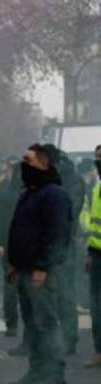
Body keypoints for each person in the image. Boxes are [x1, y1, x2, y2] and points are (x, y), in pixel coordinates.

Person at [7, 144, 72, 384]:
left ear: (43, 163)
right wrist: (16, 264)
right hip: (26, 269)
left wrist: (43, 266)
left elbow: (57, 234)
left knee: (46, 322)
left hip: (41, 272)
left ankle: (54, 374)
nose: (23, 164)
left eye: (28, 160)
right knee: (32, 324)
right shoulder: (31, 192)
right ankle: (36, 372)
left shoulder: (54, 194)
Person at [44, 145, 84, 355]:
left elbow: (69, 212)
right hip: (47, 245)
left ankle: (69, 339)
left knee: (66, 295)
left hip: (63, 245)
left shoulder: (71, 178)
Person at [0, 159, 22, 339]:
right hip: (16, 246)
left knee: (12, 287)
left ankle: (12, 324)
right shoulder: (9, 194)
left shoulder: (9, 193)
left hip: (12, 246)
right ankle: (13, 324)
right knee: (14, 287)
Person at [81, 144, 101, 369]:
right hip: (97, 254)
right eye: (97, 157)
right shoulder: (95, 188)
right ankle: (99, 350)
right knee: (96, 306)